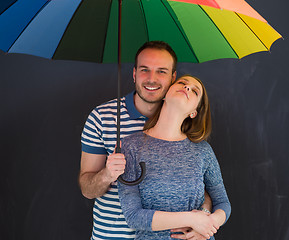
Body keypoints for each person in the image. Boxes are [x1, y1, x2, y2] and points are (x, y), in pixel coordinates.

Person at [79, 41, 212, 240]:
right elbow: (87, 189)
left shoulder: (183, 125)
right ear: (134, 74)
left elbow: (201, 187)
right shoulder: (102, 117)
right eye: (144, 70)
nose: (152, 79)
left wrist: (203, 218)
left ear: (173, 78)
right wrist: (107, 174)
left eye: (161, 71)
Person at [118, 75, 231, 240]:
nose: (187, 88)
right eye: (182, 83)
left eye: (194, 91)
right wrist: (192, 219)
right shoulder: (131, 146)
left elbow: (223, 203)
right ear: (165, 94)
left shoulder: (203, 150)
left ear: (194, 112)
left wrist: (209, 223)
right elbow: (134, 217)